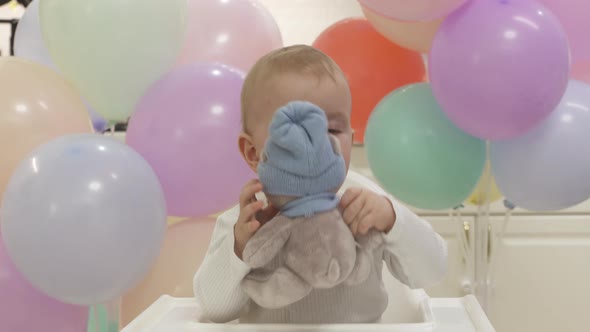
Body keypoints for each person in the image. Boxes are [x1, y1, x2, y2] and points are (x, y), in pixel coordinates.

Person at [193, 45, 447, 324]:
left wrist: (392, 219)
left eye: (332, 130)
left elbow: (432, 271)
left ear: (350, 136)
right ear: (253, 153)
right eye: (296, 133)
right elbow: (214, 309)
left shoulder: (364, 202)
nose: (318, 145)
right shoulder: (248, 219)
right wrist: (240, 248)